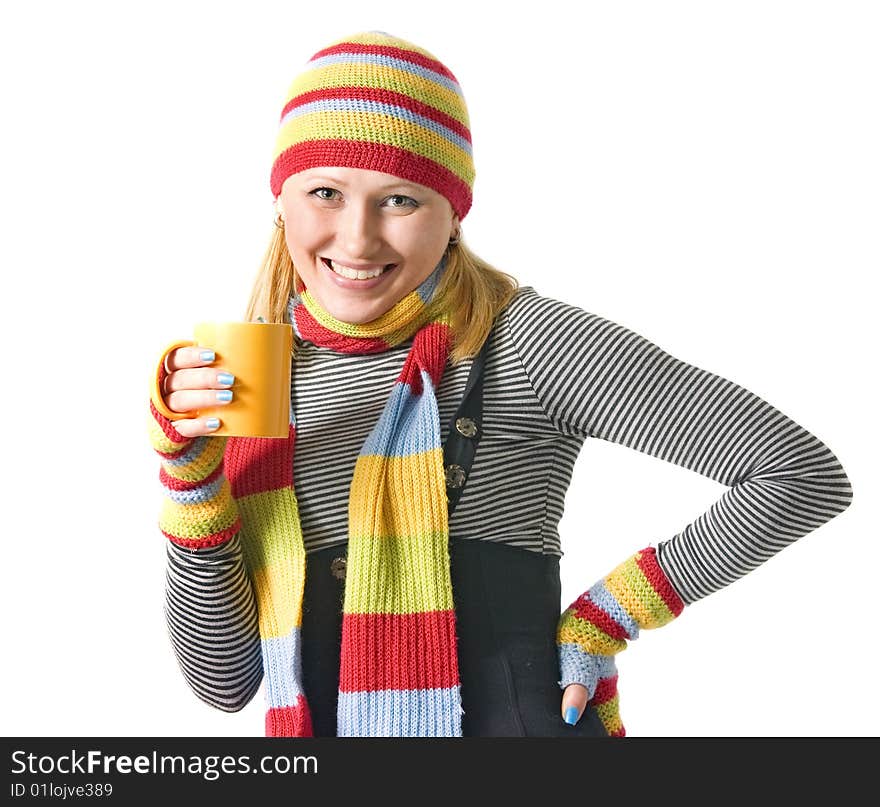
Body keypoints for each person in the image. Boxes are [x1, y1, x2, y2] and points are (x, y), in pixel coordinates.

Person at [146, 30, 853, 738]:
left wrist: (611, 611)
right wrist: (189, 478)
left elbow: (798, 473)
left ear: (455, 213)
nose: (357, 238)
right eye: (324, 192)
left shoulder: (523, 341)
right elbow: (227, 679)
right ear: (282, 201)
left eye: (399, 200)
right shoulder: (255, 375)